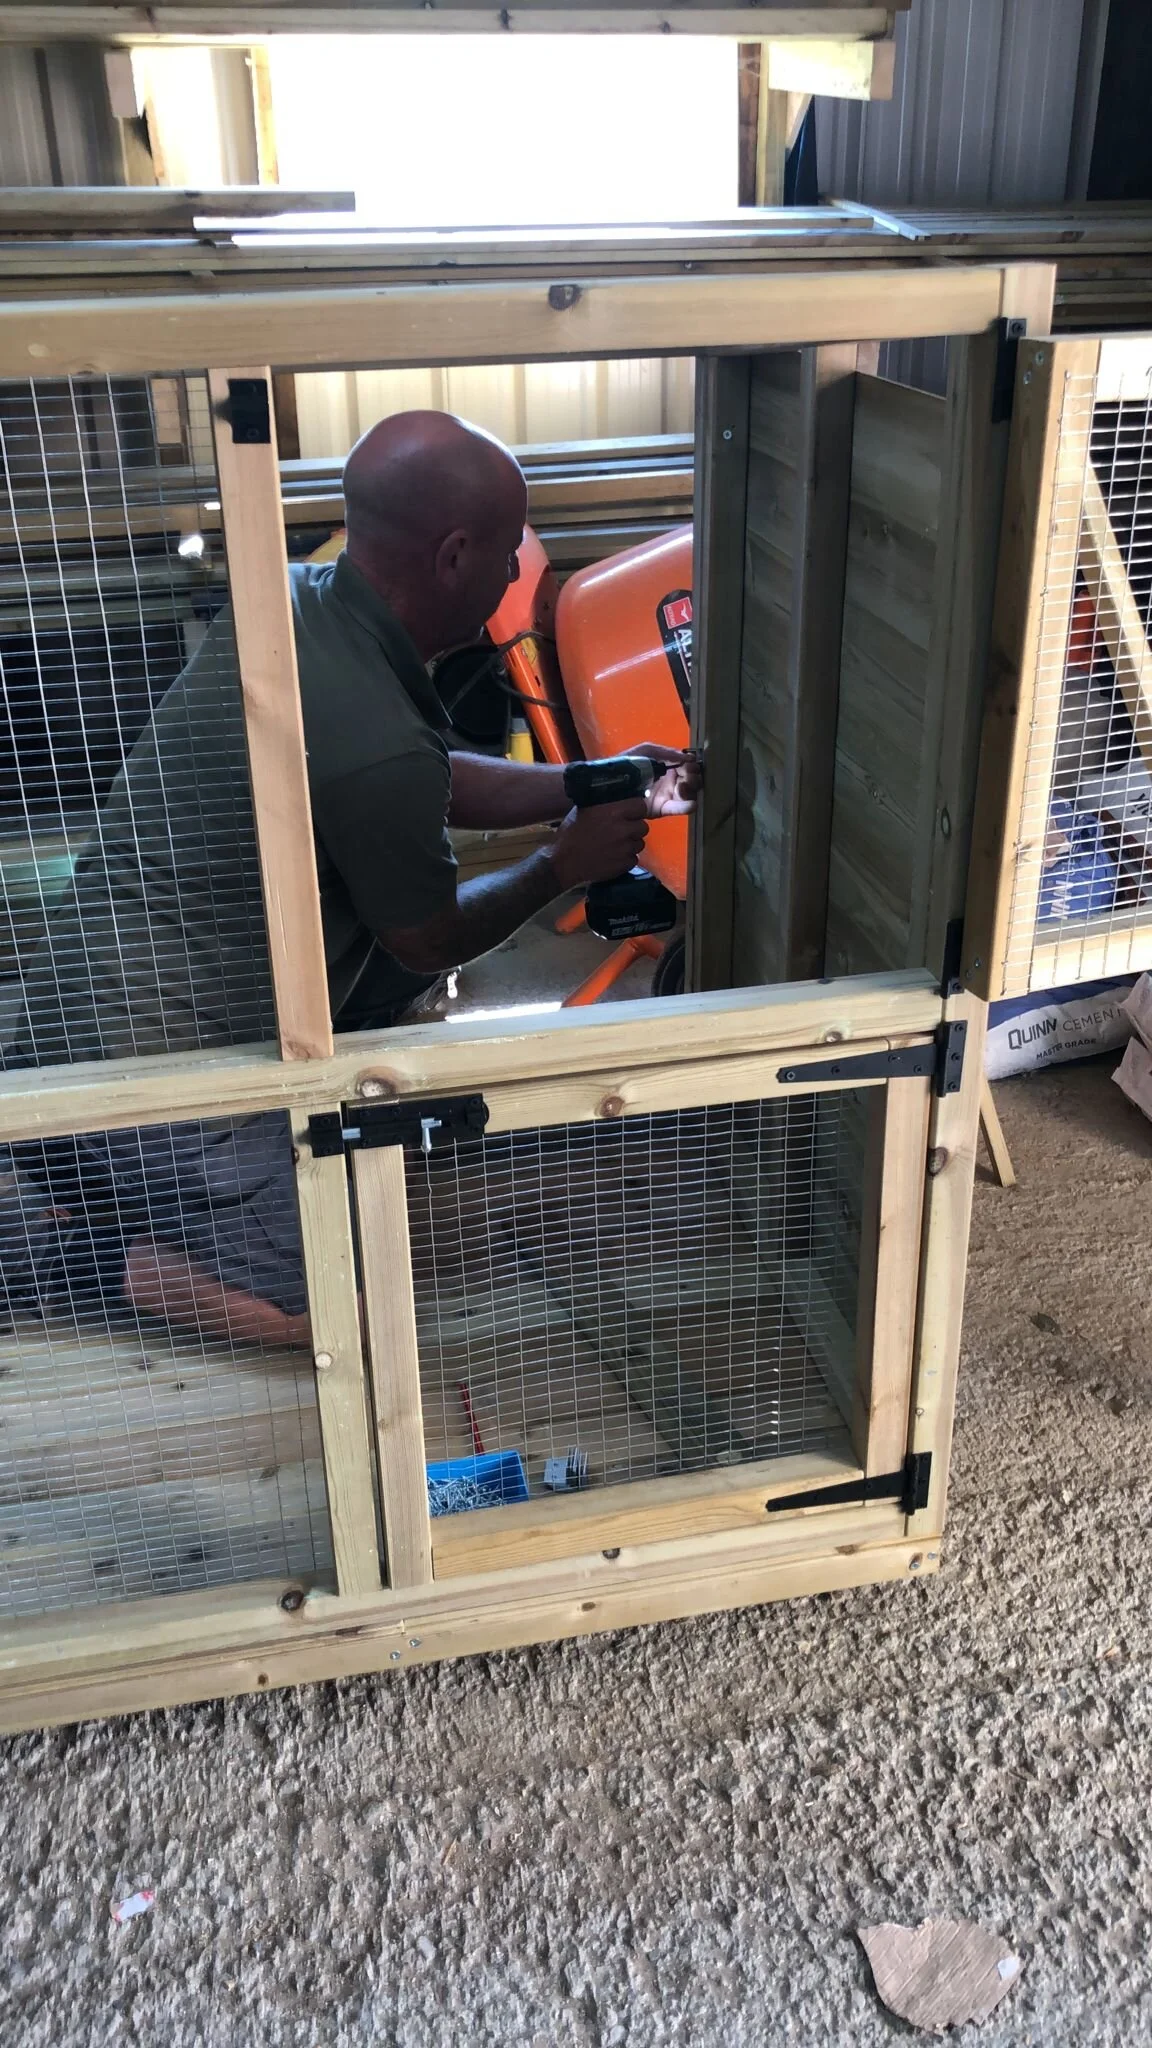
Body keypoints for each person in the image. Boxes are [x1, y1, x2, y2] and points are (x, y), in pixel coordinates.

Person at [6, 412, 698, 1351]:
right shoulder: (373, 734)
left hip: (58, 1020)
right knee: (336, 1306)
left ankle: (90, 1182)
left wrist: (588, 780)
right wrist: (561, 866)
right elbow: (430, 935)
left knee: (372, 1019)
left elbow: (425, 775)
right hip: (162, 1075)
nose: (514, 572)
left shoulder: (299, 601)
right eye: (507, 552)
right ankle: (58, 1256)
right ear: (454, 556)